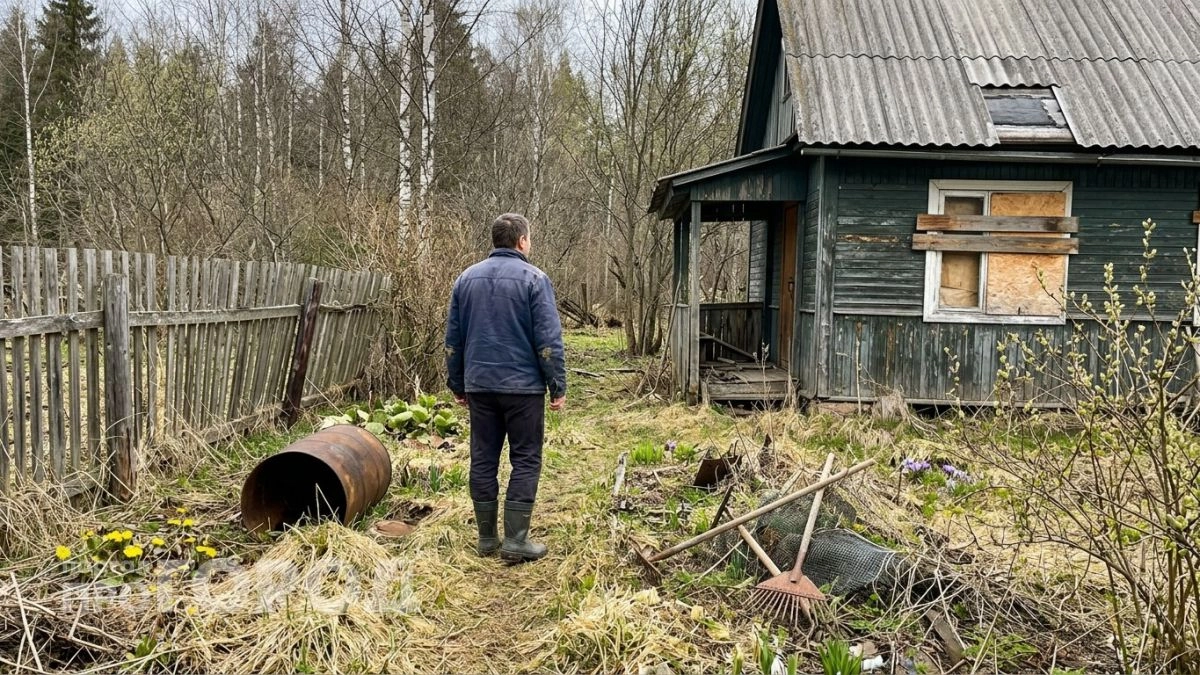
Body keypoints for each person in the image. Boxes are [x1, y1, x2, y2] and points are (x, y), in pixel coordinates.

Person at [445, 213, 567, 563]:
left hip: (480, 384)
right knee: (526, 458)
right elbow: (548, 341)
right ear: (522, 241)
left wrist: (457, 382)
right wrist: (556, 384)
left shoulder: (466, 279)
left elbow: (453, 340)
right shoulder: (535, 279)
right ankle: (516, 539)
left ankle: (486, 539)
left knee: (483, 457)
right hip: (523, 388)